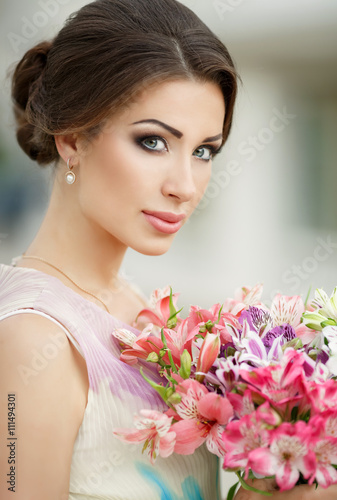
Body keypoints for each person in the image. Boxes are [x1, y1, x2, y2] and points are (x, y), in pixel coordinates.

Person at [0, 0, 336, 499]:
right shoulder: (34, 339)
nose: (186, 185)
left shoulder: (139, 311)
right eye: (154, 142)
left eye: (204, 151)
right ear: (71, 138)